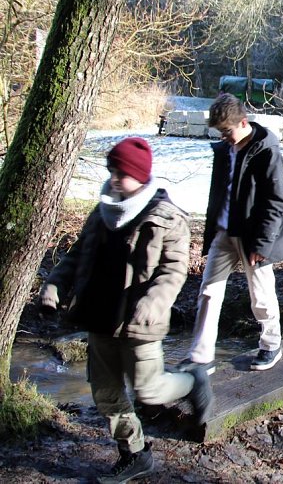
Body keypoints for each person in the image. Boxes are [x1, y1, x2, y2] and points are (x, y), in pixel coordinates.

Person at [39, 138, 213, 483]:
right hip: (98, 317)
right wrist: (55, 286)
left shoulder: (167, 217)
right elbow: (76, 256)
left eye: (122, 173)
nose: (115, 179)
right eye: (112, 171)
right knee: (106, 394)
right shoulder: (102, 210)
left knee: (149, 392)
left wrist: (154, 301)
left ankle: (191, 380)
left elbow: (174, 270)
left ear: (141, 177)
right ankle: (134, 454)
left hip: (140, 323)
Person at [183, 94, 283, 373]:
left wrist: (263, 244)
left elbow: (275, 201)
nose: (225, 137)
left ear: (243, 122)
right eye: (220, 132)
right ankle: (201, 356)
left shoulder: (267, 150)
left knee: (261, 294)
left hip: (254, 236)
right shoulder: (224, 149)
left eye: (227, 131)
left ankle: (271, 345)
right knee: (208, 291)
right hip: (224, 231)